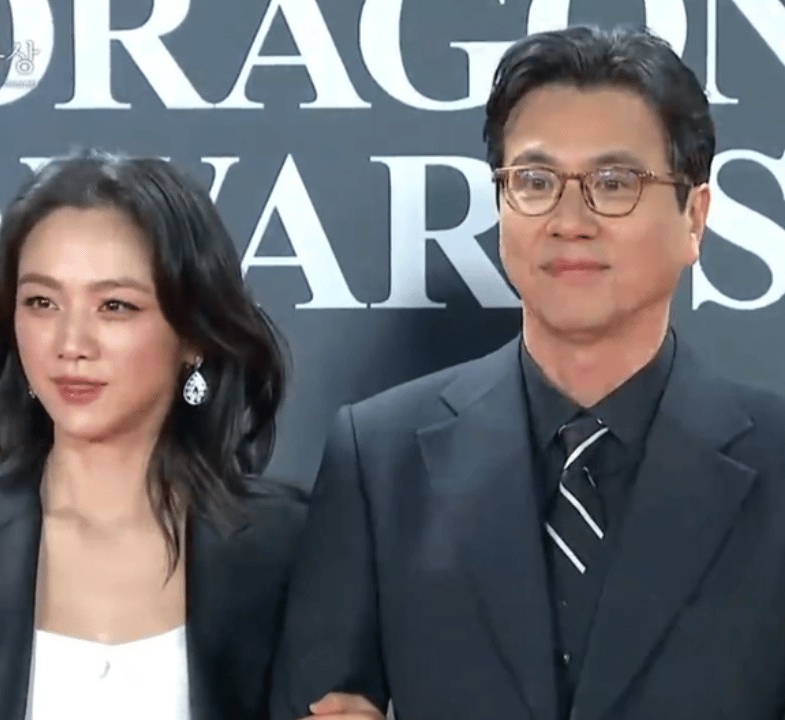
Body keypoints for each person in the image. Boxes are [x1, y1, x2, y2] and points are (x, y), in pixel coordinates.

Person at [270, 24, 785, 720]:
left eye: (613, 183)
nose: (570, 220)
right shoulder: (380, 459)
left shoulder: (776, 461)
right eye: (535, 181)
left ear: (694, 217)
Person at [0, 150, 306, 720]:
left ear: (194, 336)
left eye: (114, 306)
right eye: (42, 302)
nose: (71, 343)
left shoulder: (290, 548)